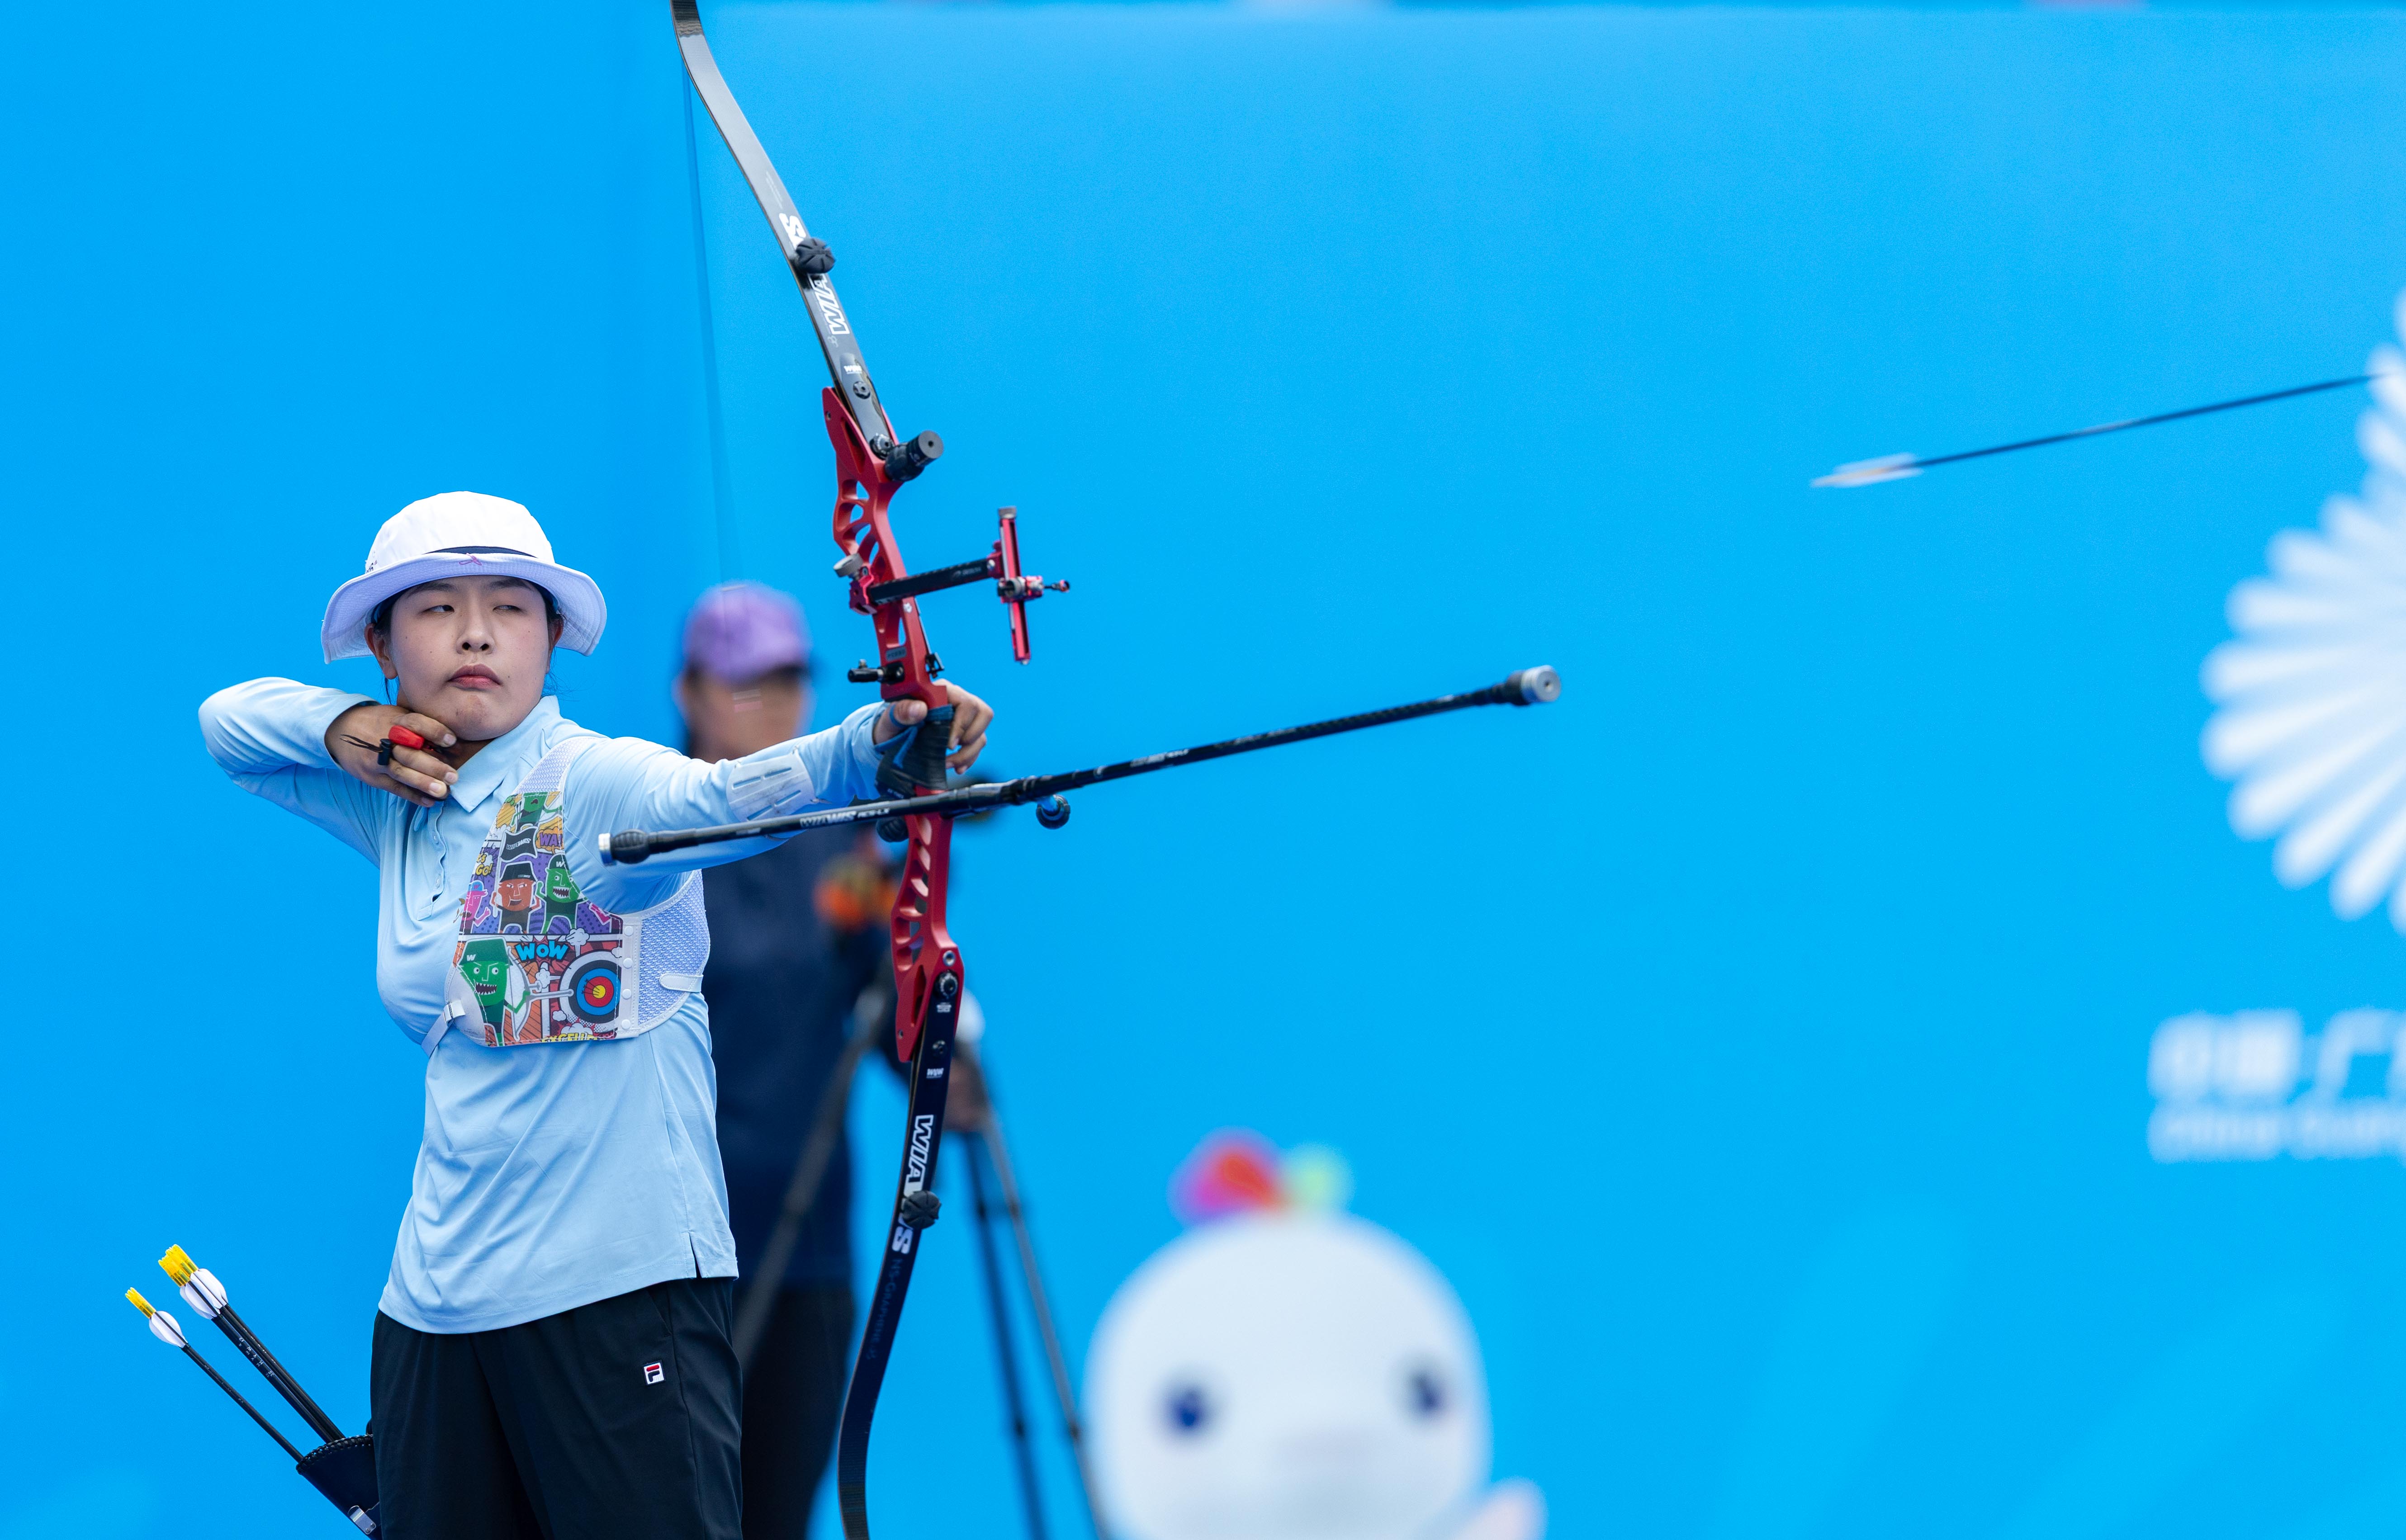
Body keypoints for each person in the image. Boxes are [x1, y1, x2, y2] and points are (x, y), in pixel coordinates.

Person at [197, 491, 994, 1540]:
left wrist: (875, 744)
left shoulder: (598, 783)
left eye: (509, 608)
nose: (475, 631)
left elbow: (720, 796)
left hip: (616, 1298)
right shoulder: (397, 798)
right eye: (434, 608)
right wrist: (345, 727)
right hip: (434, 1313)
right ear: (384, 646)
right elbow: (228, 726)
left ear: (552, 639)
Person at [673, 581, 887, 1540]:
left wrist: (943, 1057)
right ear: (690, 690)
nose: (767, 701)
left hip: (807, 1242)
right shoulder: (644, 825)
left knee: (777, 1520)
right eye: (741, 682)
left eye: (787, 680)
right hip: (666, 1259)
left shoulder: (843, 838)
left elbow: (887, 998)